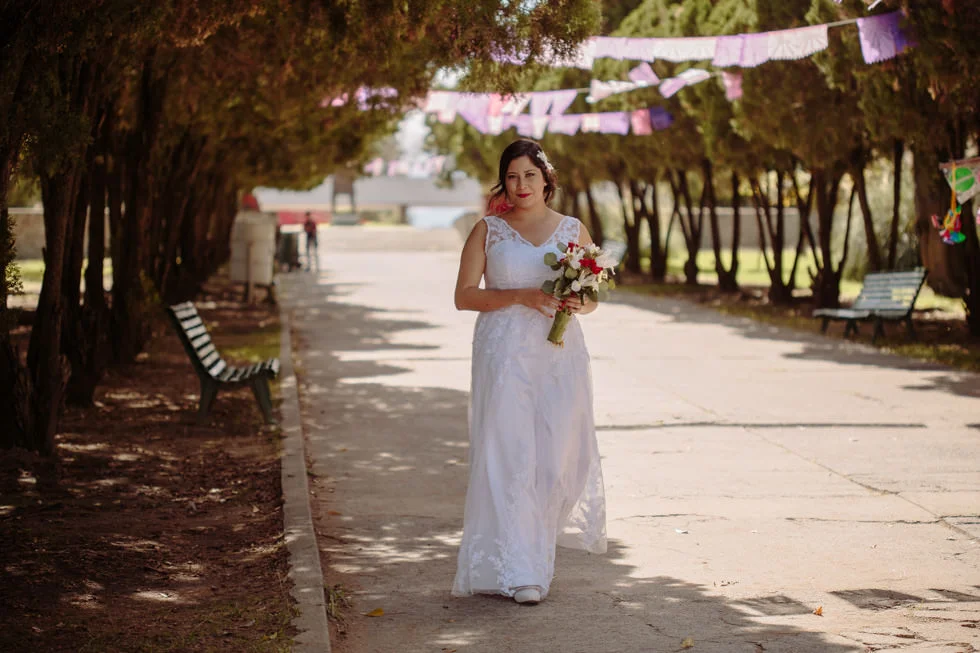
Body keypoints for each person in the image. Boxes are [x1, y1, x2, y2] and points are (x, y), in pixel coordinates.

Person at [451, 139, 607, 606]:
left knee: (558, 458)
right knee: (511, 453)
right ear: (504, 182)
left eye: (530, 176)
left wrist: (580, 302)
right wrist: (521, 295)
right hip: (504, 354)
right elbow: (464, 296)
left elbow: (592, 299)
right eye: (512, 177)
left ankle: (530, 551)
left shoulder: (572, 229)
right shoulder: (488, 230)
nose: (521, 185)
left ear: (546, 180)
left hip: (558, 355)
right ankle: (522, 571)